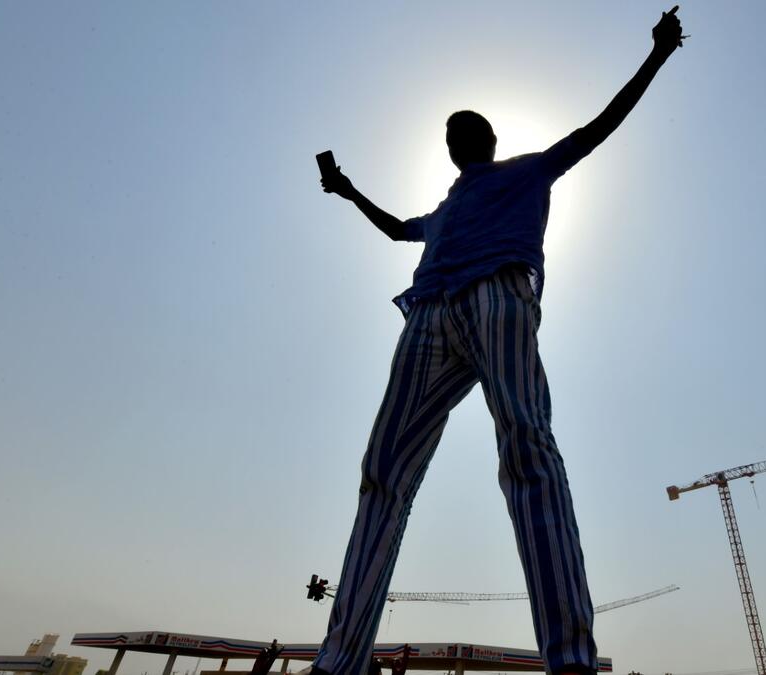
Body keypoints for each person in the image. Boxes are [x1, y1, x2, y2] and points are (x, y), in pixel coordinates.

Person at [313, 7, 687, 675]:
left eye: (468, 127)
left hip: (497, 299)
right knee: (383, 473)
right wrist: (346, 190)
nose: (459, 134)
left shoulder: (526, 171)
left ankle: (570, 659)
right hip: (428, 313)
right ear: (453, 150)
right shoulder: (446, 209)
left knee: (525, 443)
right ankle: (339, 660)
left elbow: (596, 130)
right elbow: (399, 227)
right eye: (451, 130)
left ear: (486, 140)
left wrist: (656, 56)